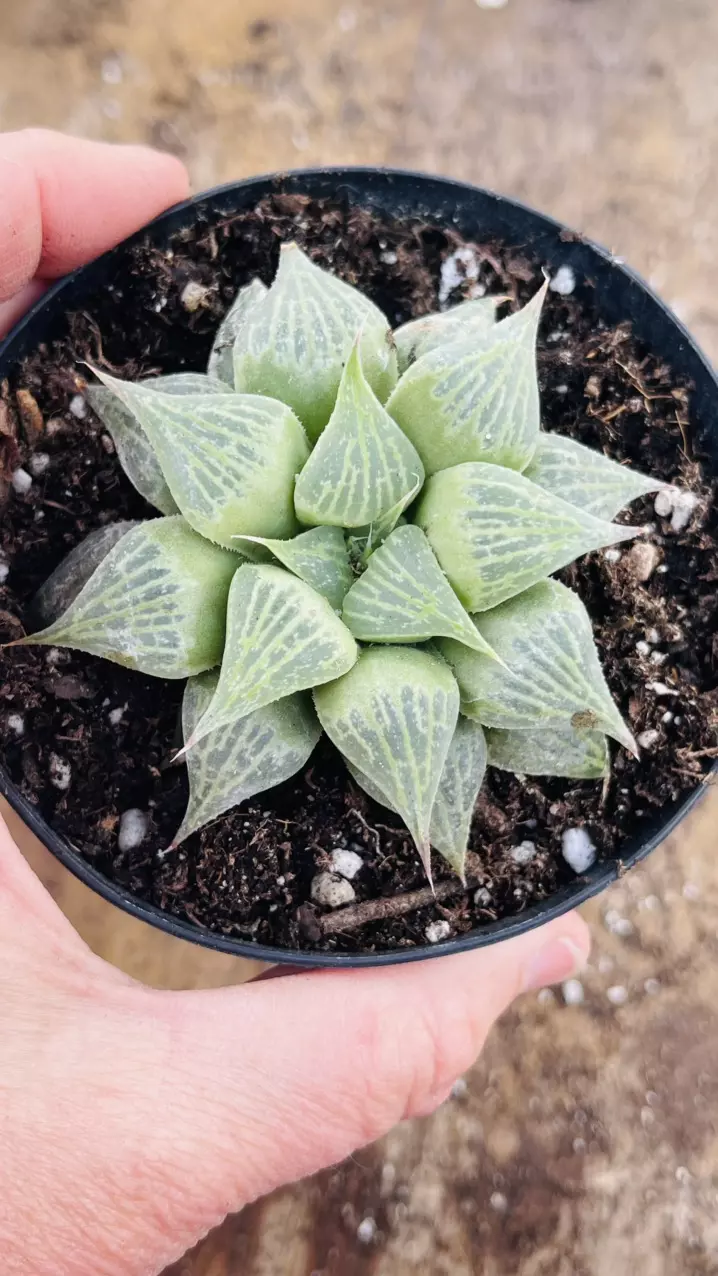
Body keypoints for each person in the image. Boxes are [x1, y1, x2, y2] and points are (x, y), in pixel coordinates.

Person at [0, 129, 590, 1276]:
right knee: (108, 620)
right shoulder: (258, 463)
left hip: (417, 645)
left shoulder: (450, 519)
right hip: (247, 596)